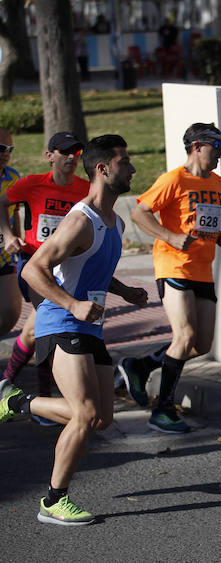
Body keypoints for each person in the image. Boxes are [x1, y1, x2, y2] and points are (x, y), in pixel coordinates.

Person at [0, 134, 148, 525]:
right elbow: (34, 269)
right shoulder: (81, 219)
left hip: (89, 326)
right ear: (103, 169)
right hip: (60, 321)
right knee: (84, 413)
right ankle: (54, 499)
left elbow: (89, 266)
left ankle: (16, 402)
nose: (132, 168)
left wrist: (125, 290)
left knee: (101, 419)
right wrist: (73, 304)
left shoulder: (111, 221)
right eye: (124, 162)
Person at [118, 123, 221, 434]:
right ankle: (163, 409)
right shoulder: (173, 179)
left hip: (203, 269)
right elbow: (139, 213)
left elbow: (200, 224)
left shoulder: (218, 182)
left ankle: (140, 365)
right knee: (183, 337)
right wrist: (168, 236)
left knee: (200, 345)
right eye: (217, 146)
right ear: (197, 146)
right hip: (174, 266)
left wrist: (220, 238)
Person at [0, 132, 90, 424]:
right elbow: (2, 203)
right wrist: (8, 234)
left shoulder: (84, 189)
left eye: (76, 153)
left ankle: (8, 384)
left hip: (66, 270)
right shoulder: (31, 184)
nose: (71, 158)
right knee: (45, 326)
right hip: (35, 267)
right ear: (49, 155)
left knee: (36, 330)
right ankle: (42, 397)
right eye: (64, 152)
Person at [0, 128, 22, 335]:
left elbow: (15, 211)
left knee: (10, 311)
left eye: (10, 149)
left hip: (4, 253)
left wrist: (18, 237)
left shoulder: (13, 177)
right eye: (1, 148)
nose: (6, 153)